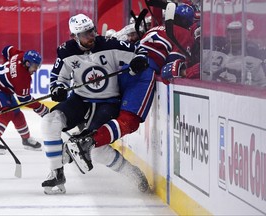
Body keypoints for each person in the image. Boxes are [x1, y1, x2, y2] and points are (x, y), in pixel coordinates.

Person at [64, 3, 199, 176]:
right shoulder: (184, 33)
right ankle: (87, 141)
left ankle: (83, 134)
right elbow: (171, 67)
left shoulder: (155, 29)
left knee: (110, 108)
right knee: (129, 120)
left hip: (123, 67)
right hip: (143, 72)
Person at [41, 13, 150, 195]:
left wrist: (139, 60)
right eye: (85, 34)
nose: (91, 36)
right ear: (74, 37)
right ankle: (56, 172)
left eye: (92, 31)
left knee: (95, 147)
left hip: (107, 102)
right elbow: (57, 78)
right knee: (50, 121)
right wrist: (58, 88)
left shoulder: (109, 44)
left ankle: (132, 173)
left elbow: (140, 51)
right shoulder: (66, 51)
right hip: (80, 100)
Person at [0, 46, 49, 155]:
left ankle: (26, 140)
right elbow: (25, 99)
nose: (36, 70)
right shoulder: (22, 77)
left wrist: (6, 68)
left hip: (3, 88)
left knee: (17, 114)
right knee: (6, 113)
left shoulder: (21, 55)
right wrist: (40, 108)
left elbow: (6, 49)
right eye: (34, 67)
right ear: (27, 63)